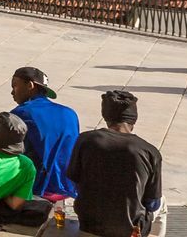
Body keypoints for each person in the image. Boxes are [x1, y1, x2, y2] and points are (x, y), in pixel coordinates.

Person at [67, 90, 164, 237]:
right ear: (134, 119)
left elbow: (74, 181)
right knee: (162, 205)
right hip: (129, 230)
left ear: (106, 116)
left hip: (88, 225)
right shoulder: (150, 151)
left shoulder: (85, 140)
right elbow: (152, 203)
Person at [10, 66, 81, 199]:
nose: (12, 92)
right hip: (69, 187)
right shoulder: (70, 113)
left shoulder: (20, 113)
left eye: (15, 86)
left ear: (30, 85)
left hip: (40, 188)